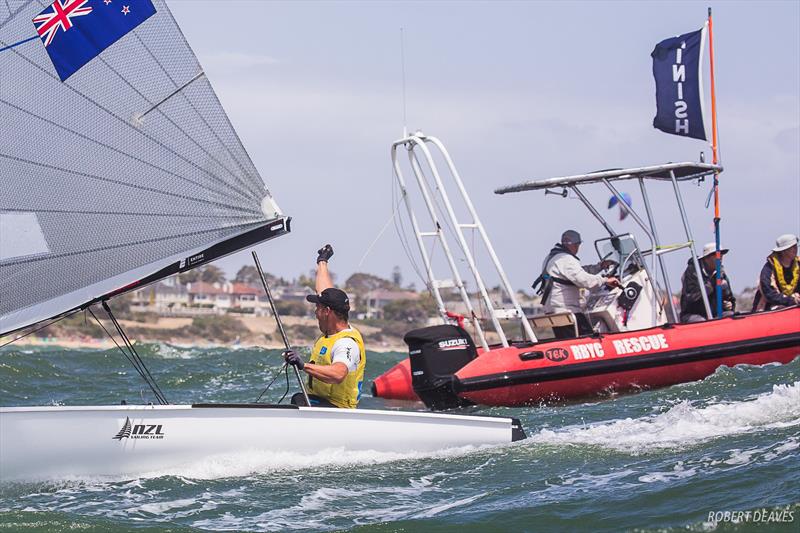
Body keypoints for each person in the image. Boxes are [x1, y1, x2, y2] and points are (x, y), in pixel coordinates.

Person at [283, 244, 366, 408]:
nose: (315, 312)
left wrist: (303, 365)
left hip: (337, 410)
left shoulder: (346, 343)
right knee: (299, 398)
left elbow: (338, 374)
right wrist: (322, 261)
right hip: (319, 402)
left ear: (327, 311)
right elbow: (324, 290)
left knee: (299, 401)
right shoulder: (332, 328)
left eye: (317, 308)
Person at [534, 230, 620, 338]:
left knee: (566, 340)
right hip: (566, 311)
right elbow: (584, 280)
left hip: (553, 309)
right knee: (589, 339)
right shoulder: (566, 259)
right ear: (575, 245)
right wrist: (605, 280)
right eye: (578, 245)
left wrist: (599, 267)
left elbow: (577, 273)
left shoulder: (553, 257)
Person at [679, 242, 736, 323]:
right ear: (707, 258)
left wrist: (729, 305)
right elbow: (690, 298)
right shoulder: (693, 273)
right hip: (693, 314)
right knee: (701, 321)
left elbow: (730, 298)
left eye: (721, 255)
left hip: (716, 314)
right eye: (716, 255)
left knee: (730, 315)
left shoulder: (721, 274)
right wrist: (710, 286)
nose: (720, 258)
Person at [752, 234, 800, 311]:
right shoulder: (769, 268)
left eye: (795, 246)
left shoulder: (798, 265)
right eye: (792, 247)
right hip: (769, 309)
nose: (795, 249)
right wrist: (790, 300)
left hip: (794, 308)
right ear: (783, 251)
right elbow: (769, 294)